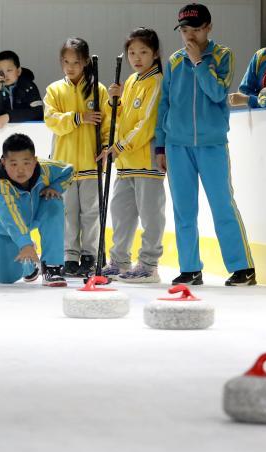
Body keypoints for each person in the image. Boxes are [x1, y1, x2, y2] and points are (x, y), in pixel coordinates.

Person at [155, 3, 256, 287]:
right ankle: (190, 268)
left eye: (196, 29)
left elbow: (216, 93)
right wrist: (160, 147)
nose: (190, 36)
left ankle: (242, 268)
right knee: (183, 210)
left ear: (208, 27)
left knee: (222, 205)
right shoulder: (174, 61)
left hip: (211, 145)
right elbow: (164, 105)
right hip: (177, 146)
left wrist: (199, 62)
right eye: (185, 30)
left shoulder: (223, 56)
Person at [97, 27, 166, 284]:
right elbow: (120, 118)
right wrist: (113, 101)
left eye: (143, 52)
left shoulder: (156, 82)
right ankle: (119, 261)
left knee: (150, 215)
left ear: (155, 53)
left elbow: (147, 124)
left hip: (146, 161)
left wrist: (120, 147)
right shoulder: (131, 82)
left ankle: (149, 265)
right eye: (132, 53)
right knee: (121, 213)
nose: (136, 58)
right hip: (125, 163)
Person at [43, 37, 110, 277]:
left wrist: (105, 147)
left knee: (91, 212)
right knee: (68, 213)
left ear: (85, 63)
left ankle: (90, 254)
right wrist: (78, 117)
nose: (70, 67)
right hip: (64, 166)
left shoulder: (98, 90)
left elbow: (107, 123)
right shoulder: (54, 90)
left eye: (76, 62)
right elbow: (52, 121)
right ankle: (70, 255)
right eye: (66, 61)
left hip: (91, 163)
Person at [0, 133, 73, 286]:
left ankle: (52, 267)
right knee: (5, 278)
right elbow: (11, 219)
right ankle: (29, 266)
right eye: (14, 164)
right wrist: (25, 244)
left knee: (54, 203)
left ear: (34, 160)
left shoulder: (46, 169)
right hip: (4, 228)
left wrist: (55, 187)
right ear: (3, 162)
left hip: (35, 216)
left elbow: (69, 171)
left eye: (26, 163)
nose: (21, 170)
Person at [0, 50, 44, 128]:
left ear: (18, 71)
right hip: (0, 133)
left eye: (9, 70)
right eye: (0, 72)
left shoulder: (29, 87)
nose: (5, 75)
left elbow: (38, 112)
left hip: (27, 131)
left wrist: (9, 117)